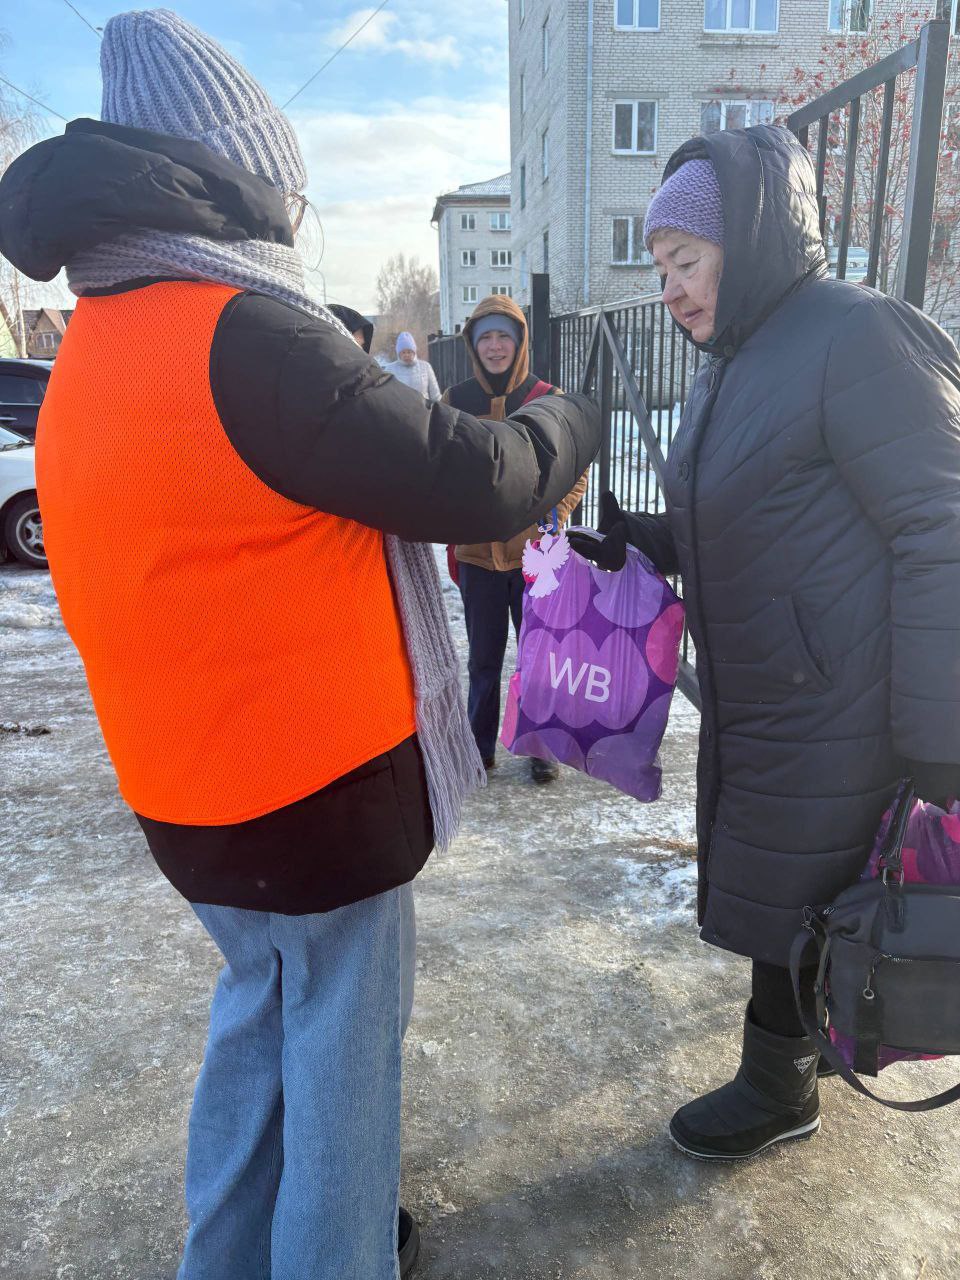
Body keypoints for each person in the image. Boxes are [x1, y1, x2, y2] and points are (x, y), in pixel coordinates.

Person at [0, 10, 600, 1277]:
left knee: (259, 1018)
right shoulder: (244, 335)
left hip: (189, 800)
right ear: (231, 179)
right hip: (318, 795)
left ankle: (225, 1257)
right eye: (285, 187)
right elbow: (477, 476)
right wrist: (568, 410)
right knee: (342, 1058)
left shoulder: (96, 350)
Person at [570, 126, 960, 1161]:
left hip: (849, 701)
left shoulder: (856, 335)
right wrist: (641, 538)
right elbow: (755, 514)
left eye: (685, 262)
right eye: (659, 269)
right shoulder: (734, 360)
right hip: (776, 694)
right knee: (796, 894)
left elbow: (944, 522)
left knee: (815, 897)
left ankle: (779, 1083)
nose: (672, 291)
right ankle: (790, 1070)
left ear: (748, 243)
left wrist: (940, 730)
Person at [443, 294, 588, 784]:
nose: (496, 346)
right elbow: (437, 469)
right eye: (486, 336)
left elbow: (576, 469)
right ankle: (479, 749)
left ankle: (542, 747)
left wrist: (555, 517)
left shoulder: (548, 397)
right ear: (473, 344)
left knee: (540, 657)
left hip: (537, 557)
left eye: (504, 335)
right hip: (480, 558)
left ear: (520, 340)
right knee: (483, 659)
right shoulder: (454, 403)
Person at [385, 332, 441, 402]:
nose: (406, 355)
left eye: (409, 352)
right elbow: (386, 395)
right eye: (403, 352)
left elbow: (435, 394)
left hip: (423, 411)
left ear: (414, 352)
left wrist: (441, 409)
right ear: (398, 353)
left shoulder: (425, 367)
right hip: (400, 411)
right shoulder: (390, 369)